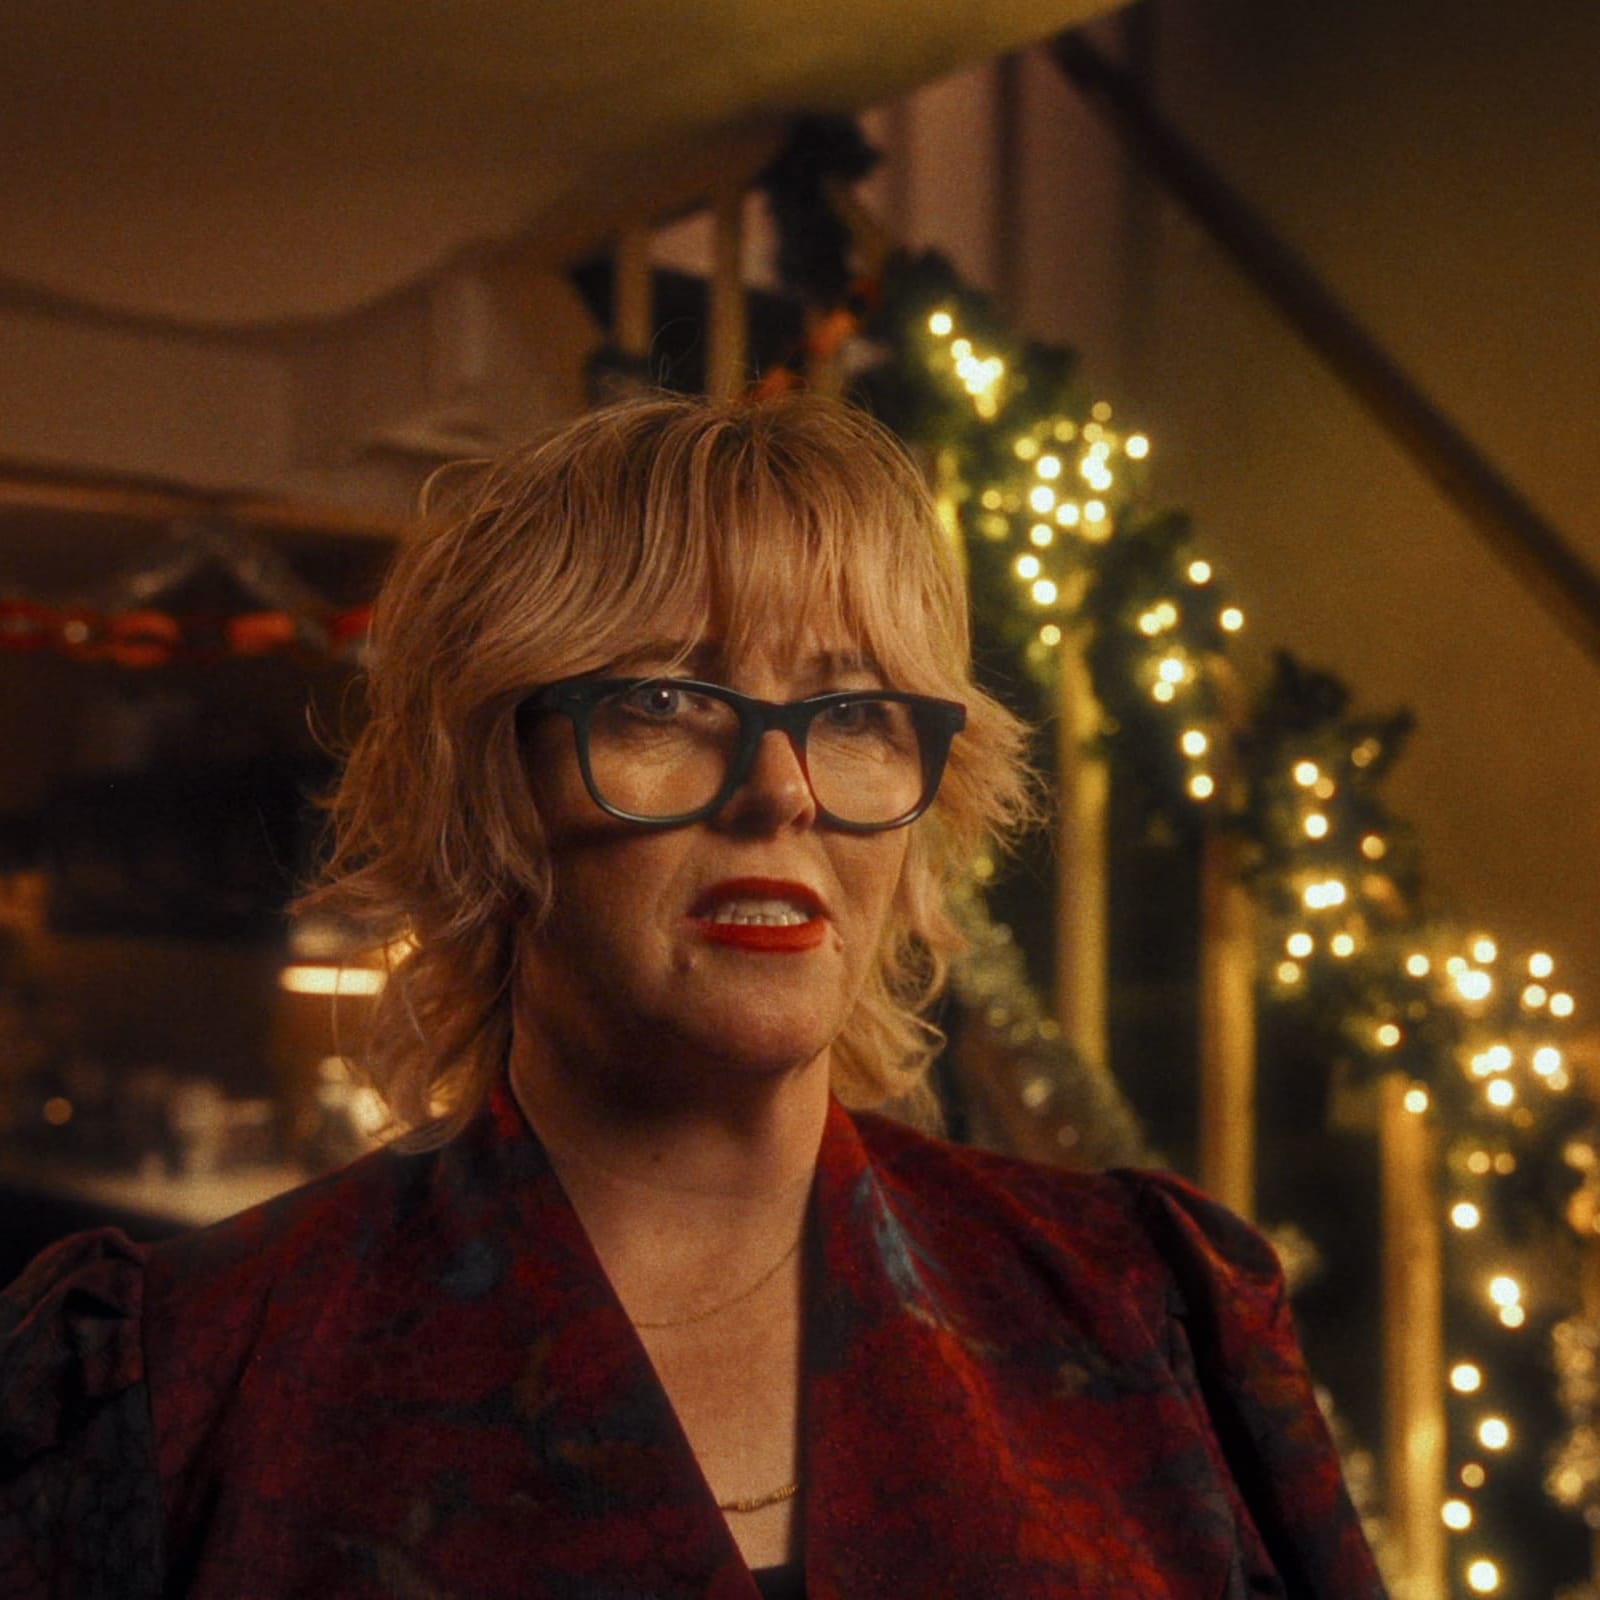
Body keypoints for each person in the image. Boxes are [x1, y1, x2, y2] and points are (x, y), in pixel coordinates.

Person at [0, 394, 1386, 1599]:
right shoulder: (183, 1378)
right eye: (663, 703)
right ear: (490, 790)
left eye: (855, 712)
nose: (780, 789)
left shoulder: (1144, 1312)